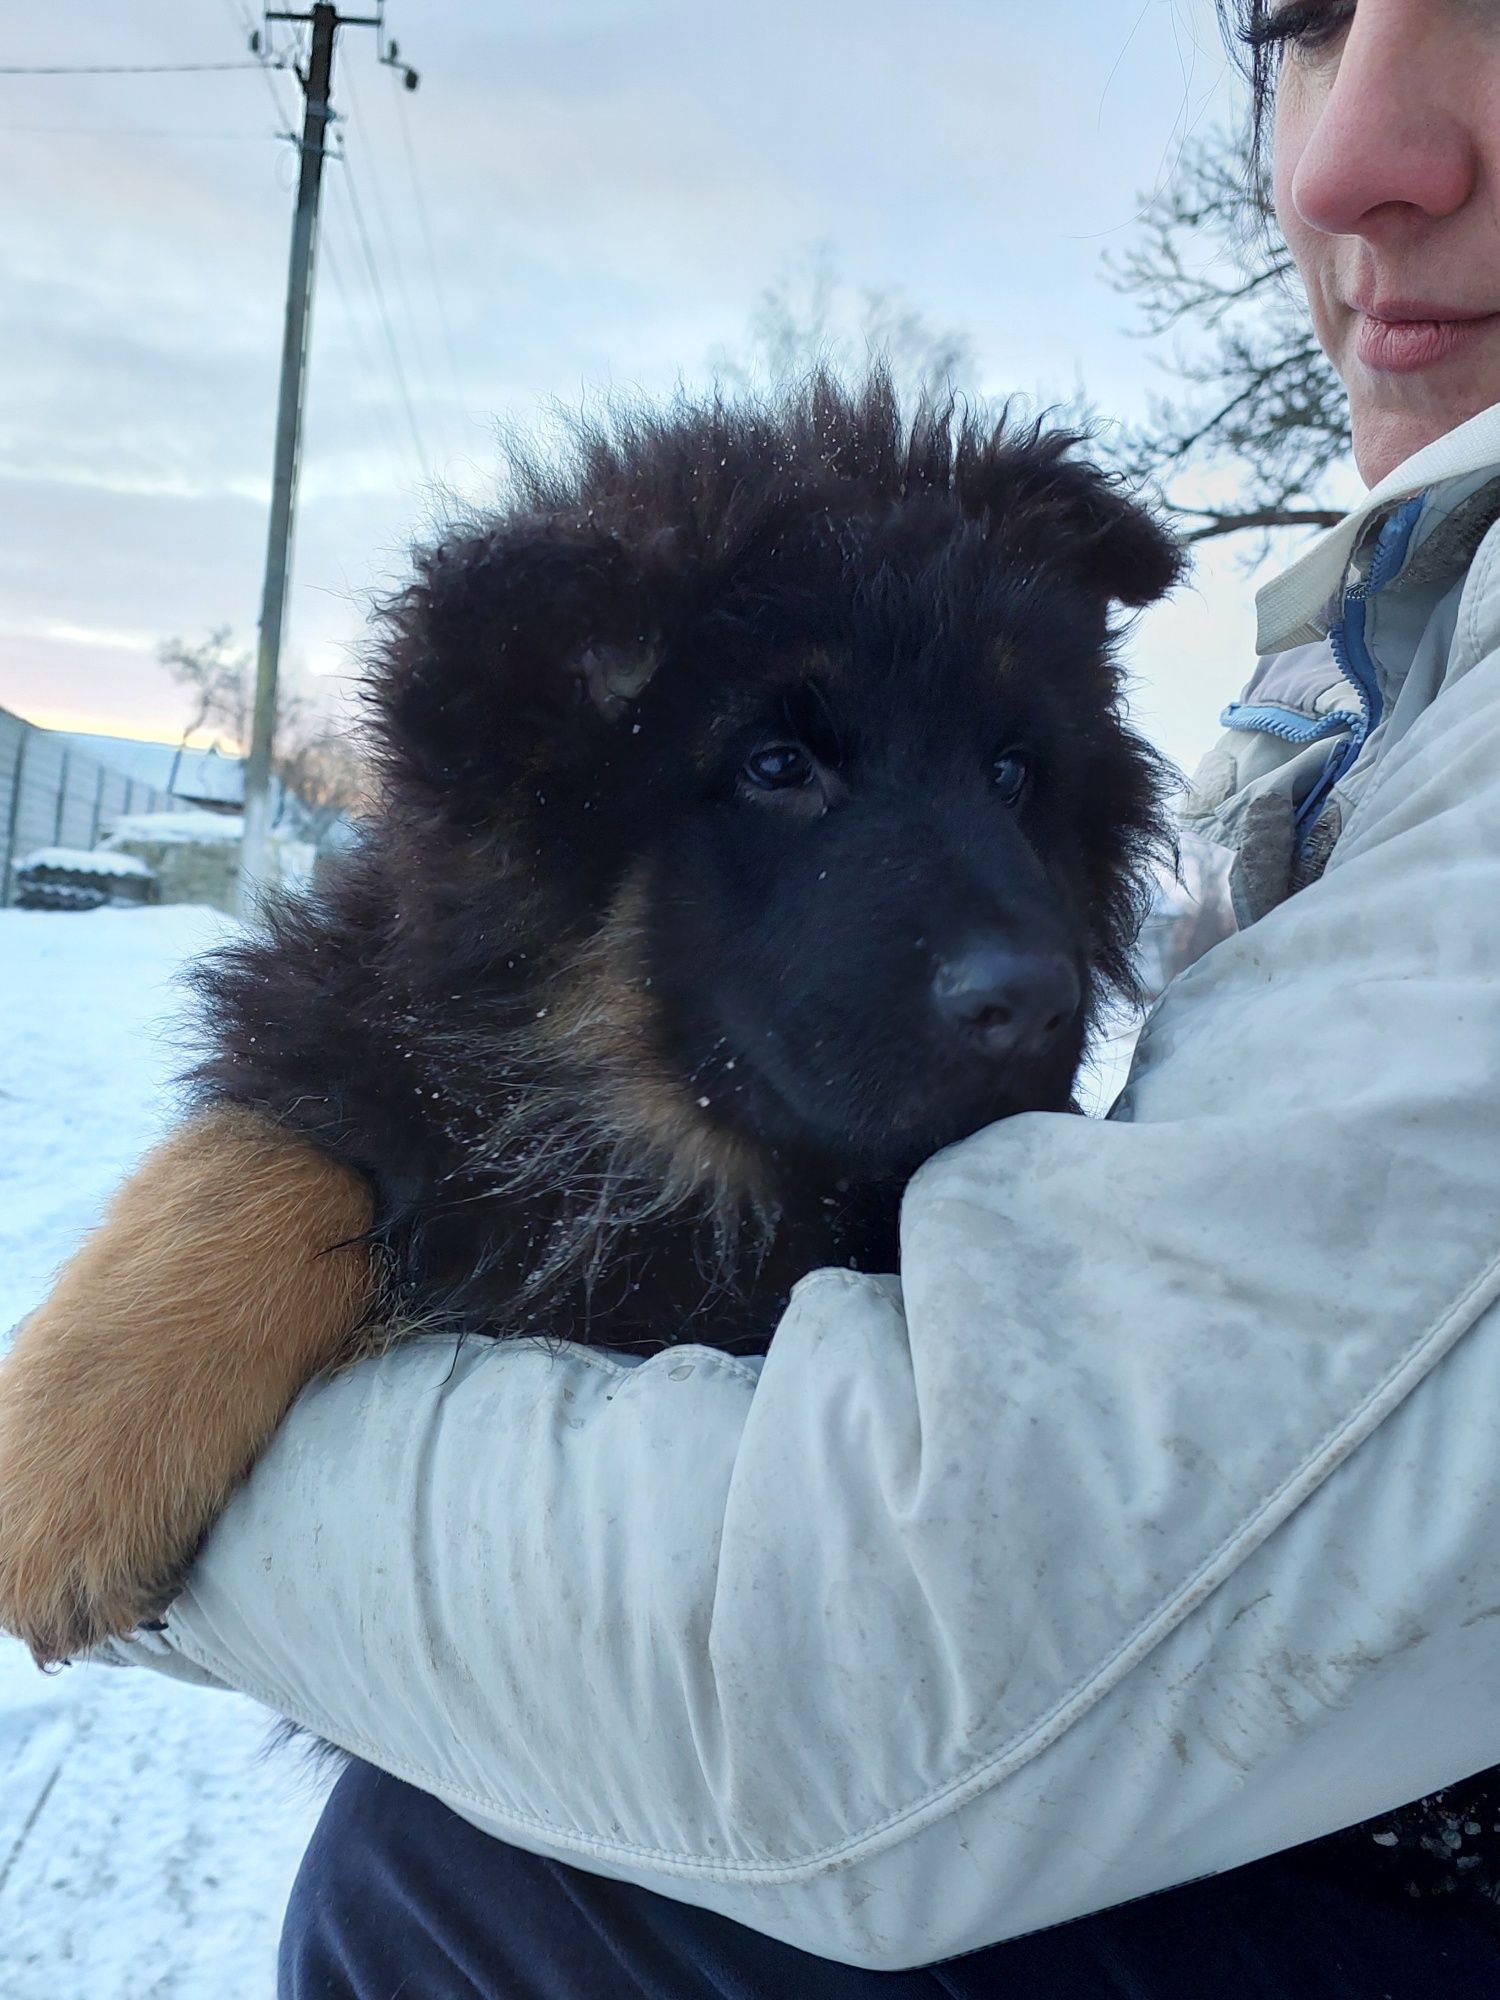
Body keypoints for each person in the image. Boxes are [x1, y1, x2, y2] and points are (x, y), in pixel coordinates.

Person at [97, 1, 1500, 1991]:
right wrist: (257, 1240)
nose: (1354, 149)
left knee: (467, 1887)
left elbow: (873, 1668)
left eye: (1016, 779)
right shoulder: (1401, 653)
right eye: (1296, 17)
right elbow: (376, 1059)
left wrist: (181, 1462)